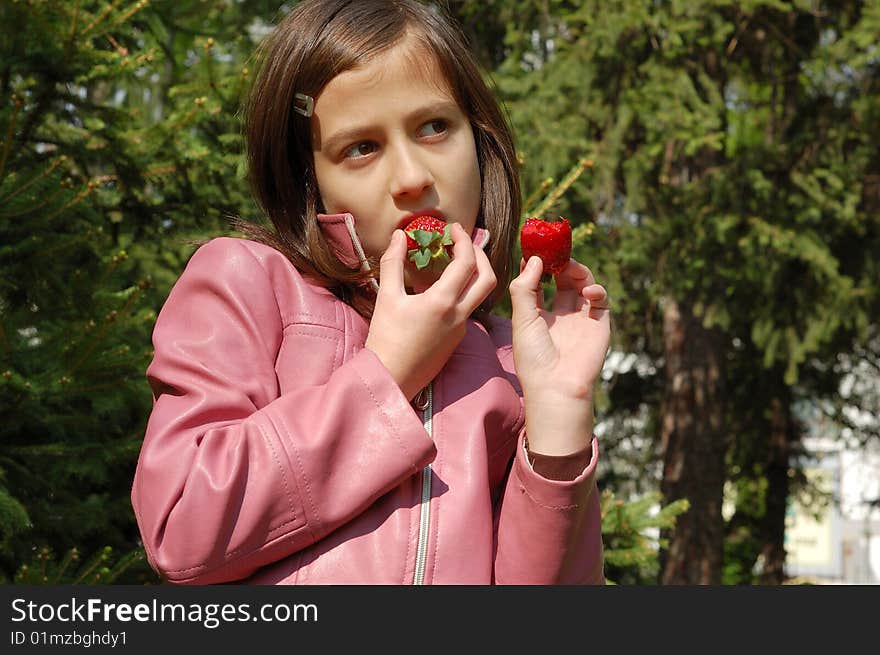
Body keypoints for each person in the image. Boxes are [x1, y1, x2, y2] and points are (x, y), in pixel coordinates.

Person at [131, 0, 611, 585]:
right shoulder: (247, 285)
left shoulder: (514, 363)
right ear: (311, 183)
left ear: (478, 141)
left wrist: (558, 424)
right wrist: (388, 374)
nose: (412, 177)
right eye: (361, 147)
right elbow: (182, 525)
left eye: (435, 127)